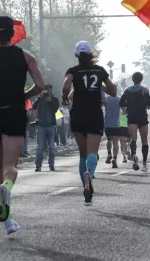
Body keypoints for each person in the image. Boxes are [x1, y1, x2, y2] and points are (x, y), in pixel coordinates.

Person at [0, 15, 45, 235]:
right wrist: (24, 94)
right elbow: (40, 85)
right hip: (15, 111)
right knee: (11, 167)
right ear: (12, 34)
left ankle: (7, 220)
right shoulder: (26, 57)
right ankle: (7, 187)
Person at [62, 41, 117, 206]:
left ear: (77, 55)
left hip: (78, 115)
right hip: (94, 115)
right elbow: (113, 91)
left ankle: (85, 185)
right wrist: (100, 86)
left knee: (83, 154)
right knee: (93, 153)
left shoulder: (73, 71)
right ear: (91, 54)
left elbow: (66, 85)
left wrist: (65, 97)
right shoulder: (99, 71)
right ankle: (89, 174)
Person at [119, 72, 150, 172]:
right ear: (141, 79)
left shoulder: (127, 90)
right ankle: (144, 165)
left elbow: (121, 103)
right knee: (144, 140)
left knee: (133, 139)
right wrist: (145, 105)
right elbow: (149, 104)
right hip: (142, 116)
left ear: (132, 80)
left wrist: (125, 110)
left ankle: (134, 156)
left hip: (132, 116)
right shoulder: (144, 90)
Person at [35, 87, 60, 172]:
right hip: (41, 127)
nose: (48, 92)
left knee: (51, 147)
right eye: (46, 90)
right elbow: (34, 107)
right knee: (40, 148)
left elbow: (55, 109)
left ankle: (51, 165)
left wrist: (50, 101)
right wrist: (39, 98)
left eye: (49, 90)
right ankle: (38, 166)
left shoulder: (55, 100)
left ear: (52, 91)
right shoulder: (40, 100)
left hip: (51, 126)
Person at [103, 89, 125, 169]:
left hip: (107, 123)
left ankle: (109, 153)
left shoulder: (106, 99)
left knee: (109, 140)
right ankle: (114, 158)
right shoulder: (119, 99)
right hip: (116, 124)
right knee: (115, 141)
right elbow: (124, 110)